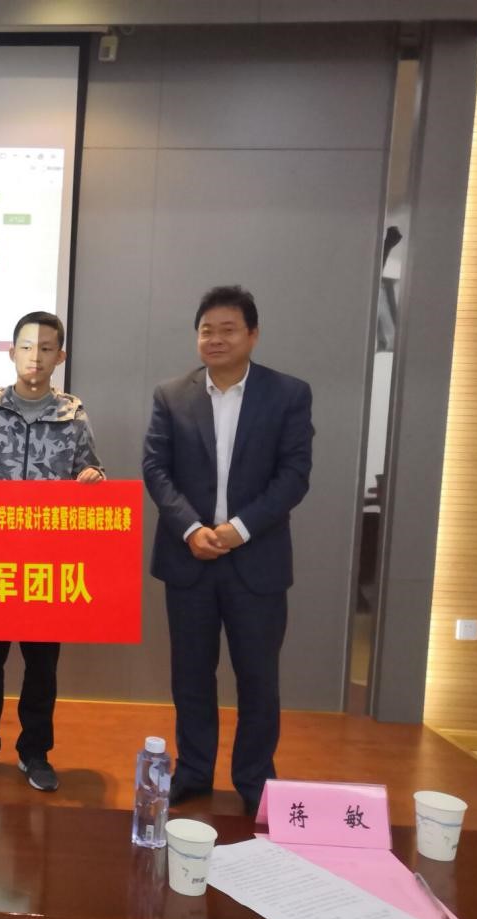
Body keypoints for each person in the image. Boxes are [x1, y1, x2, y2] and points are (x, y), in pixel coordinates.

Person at [141, 285, 313, 816]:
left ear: (252, 335)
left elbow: (294, 475)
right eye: (206, 330)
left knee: (258, 679)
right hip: (189, 559)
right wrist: (192, 529)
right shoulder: (172, 394)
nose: (215, 339)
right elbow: (155, 469)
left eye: (227, 329)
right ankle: (194, 771)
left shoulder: (287, 394)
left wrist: (239, 528)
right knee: (191, 676)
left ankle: (255, 780)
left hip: (256, 561)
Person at [0, 311, 104, 793]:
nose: (36, 356)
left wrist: (93, 479)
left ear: (61, 356)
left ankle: (35, 752)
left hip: (47, 564)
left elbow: (92, 473)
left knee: (42, 666)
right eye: (27, 347)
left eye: (46, 348)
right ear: (12, 352)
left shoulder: (73, 416)